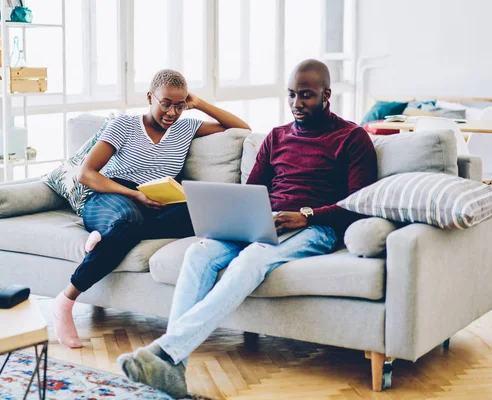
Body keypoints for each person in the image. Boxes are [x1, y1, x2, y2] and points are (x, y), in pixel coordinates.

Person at [117, 59, 379, 398]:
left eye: (306, 96)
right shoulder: (276, 137)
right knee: (199, 254)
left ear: (327, 95)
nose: (297, 104)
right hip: (262, 221)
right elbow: (250, 191)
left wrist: (308, 215)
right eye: (291, 95)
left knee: (250, 261)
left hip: (315, 227)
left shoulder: (352, 138)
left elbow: (359, 203)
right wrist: (240, 215)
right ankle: (174, 369)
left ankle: (165, 352)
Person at [53, 69, 251, 349]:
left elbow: (241, 128)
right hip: (112, 195)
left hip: (157, 203)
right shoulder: (124, 125)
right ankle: (66, 299)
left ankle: (108, 236)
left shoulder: (186, 127)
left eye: (179, 105)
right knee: (129, 220)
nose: (172, 112)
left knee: (201, 214)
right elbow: (86, 174)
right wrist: (133, 194)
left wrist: (200, 104)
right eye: (166, 103)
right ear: (150, 97)